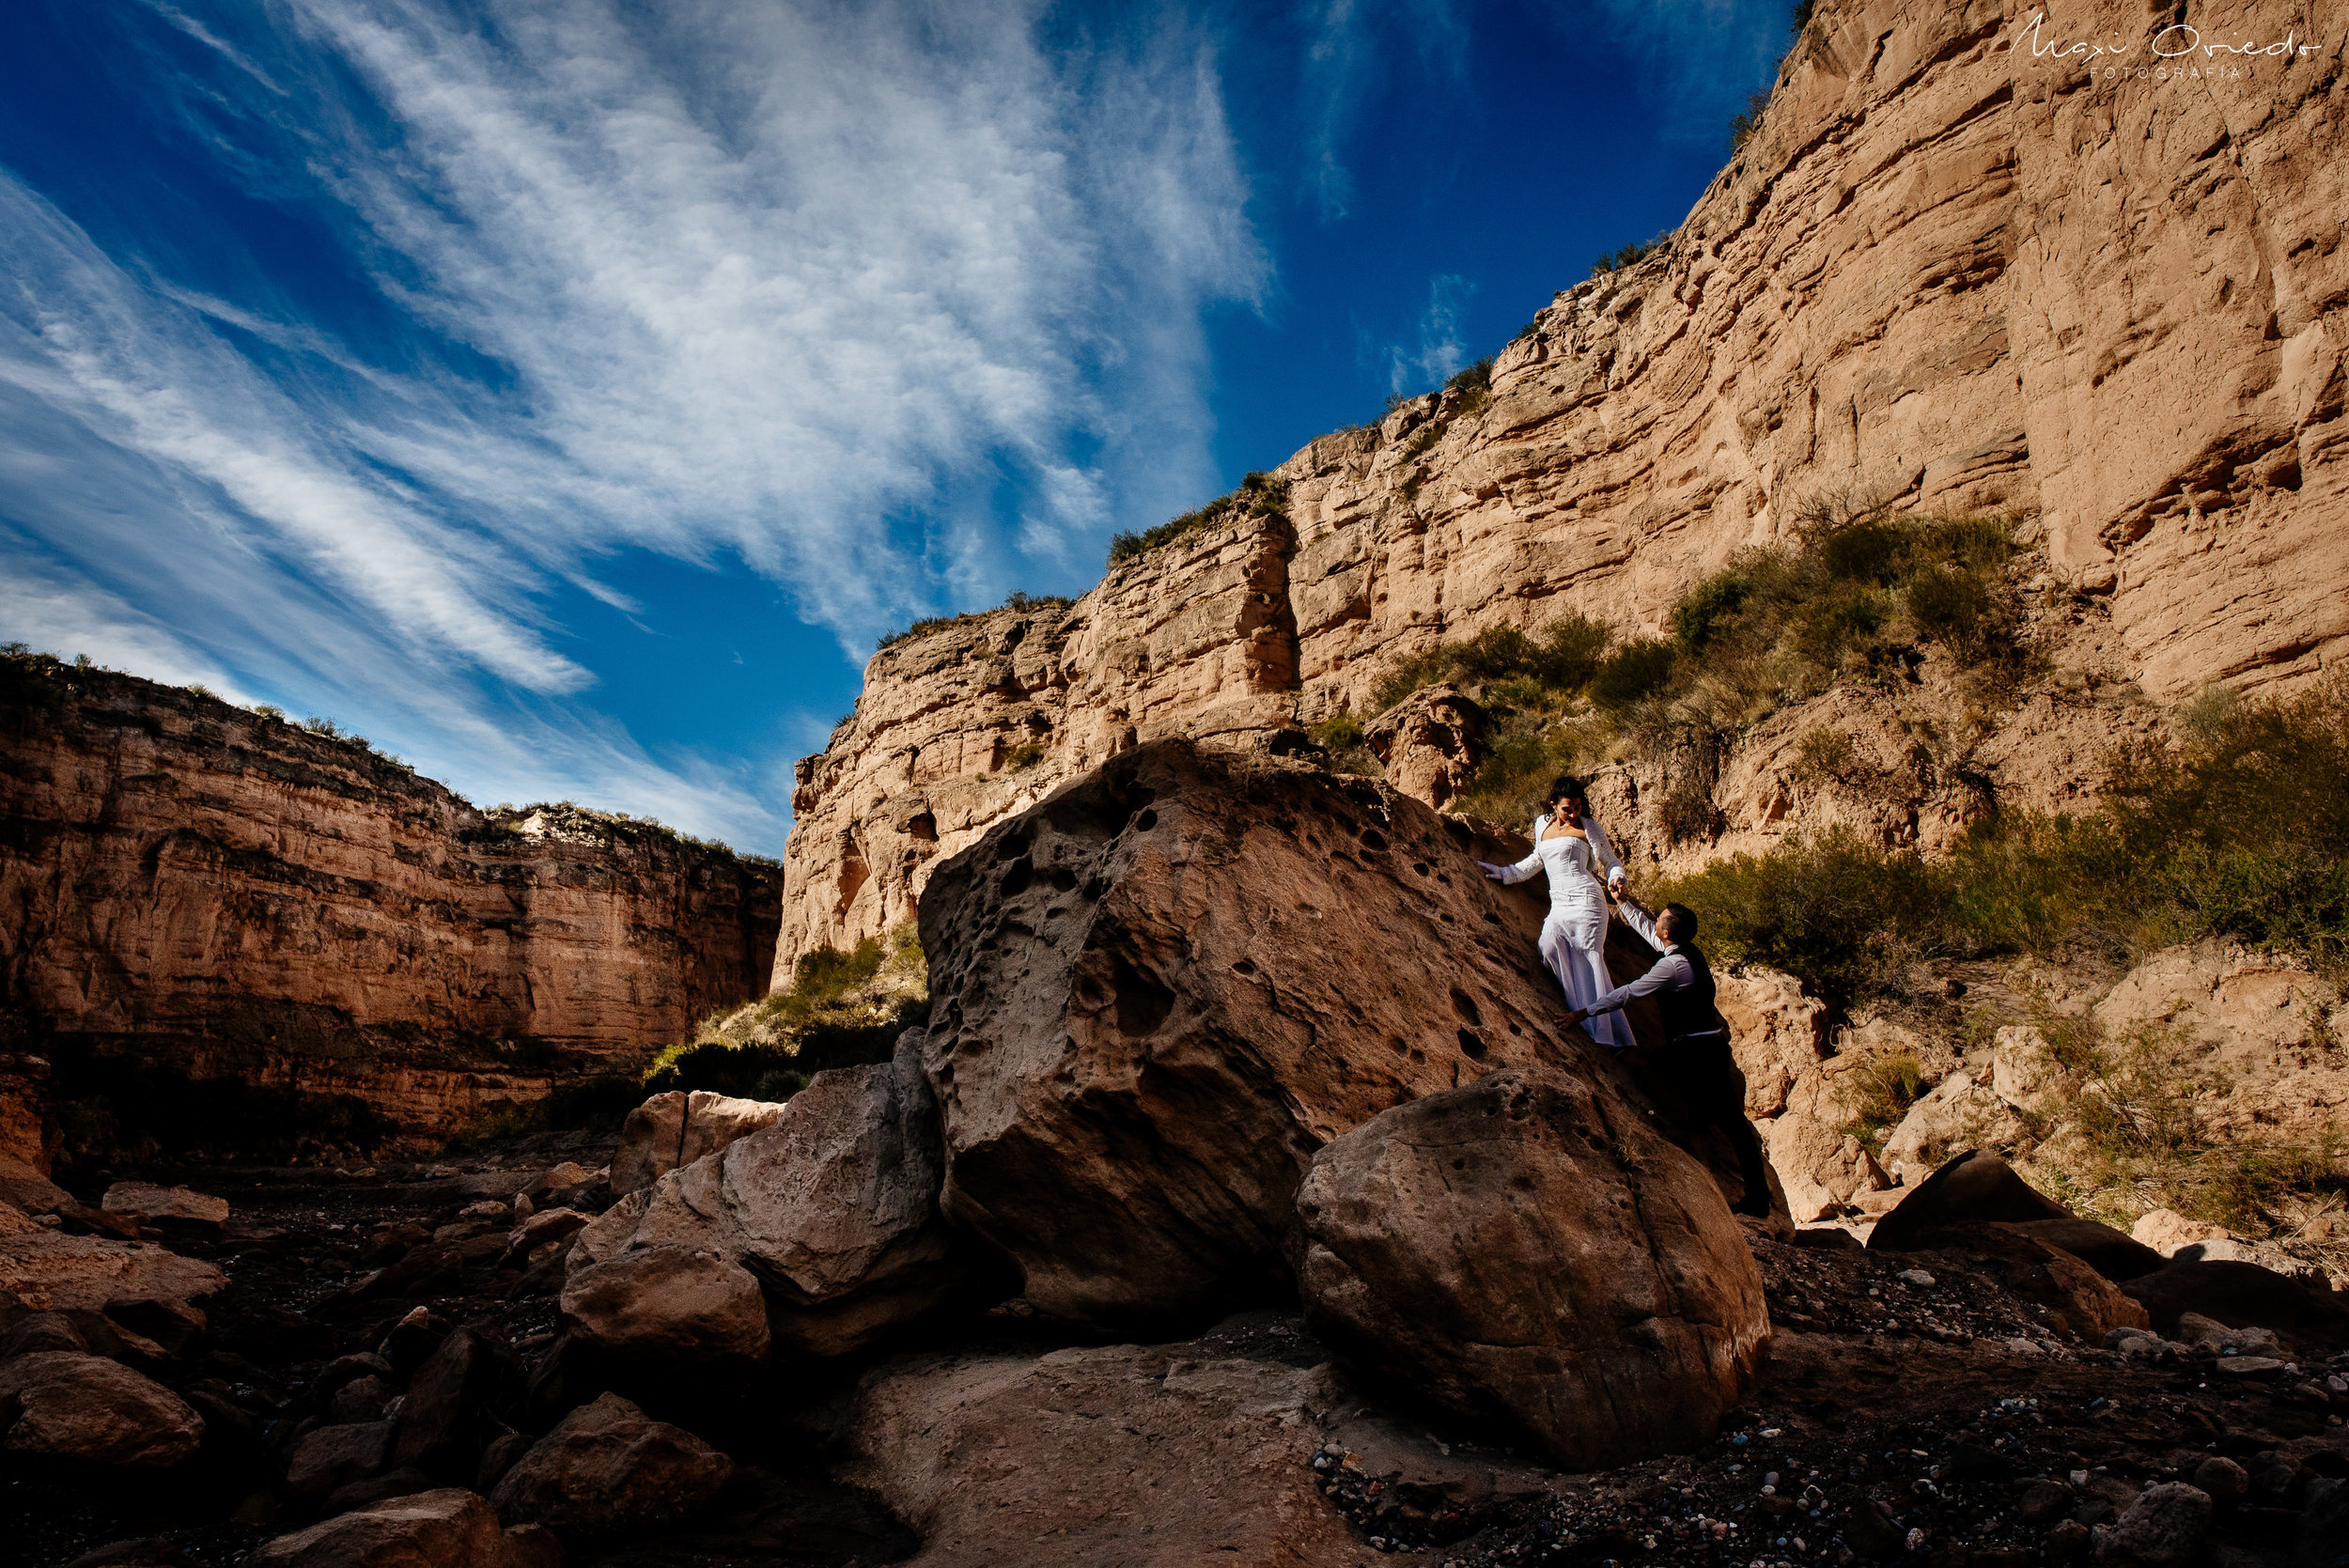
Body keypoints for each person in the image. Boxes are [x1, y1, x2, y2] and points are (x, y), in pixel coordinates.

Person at [1560, 897, 1773, 1218]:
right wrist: (1622, 903)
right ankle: (1701, 1114)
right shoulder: (1685, 953)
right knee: (1670, 1070)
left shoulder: (1672, 966)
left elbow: (1630, 992)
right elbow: (1649, 931)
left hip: (1700, 1051)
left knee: (1732, 1125)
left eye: (1660, 920)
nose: (1655, 922)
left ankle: (1758, 1199)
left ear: (1669, 934)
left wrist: (1583, 1012)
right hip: (1703, 1046)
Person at [1477, 776, 1633, 1050]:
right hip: (1559, 904)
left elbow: (1611, 862)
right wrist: (1505, 874)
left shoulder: (1590, 828)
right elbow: (1537, 859)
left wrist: (1616, 878)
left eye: (1578, 807)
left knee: (1591, 959)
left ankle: (1607, 1035)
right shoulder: (1541, 825)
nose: (1573, 814)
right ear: (1553, 805)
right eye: (1567, 809)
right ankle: (1581, 1014)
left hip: (1588, 902)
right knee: (1548, 949)